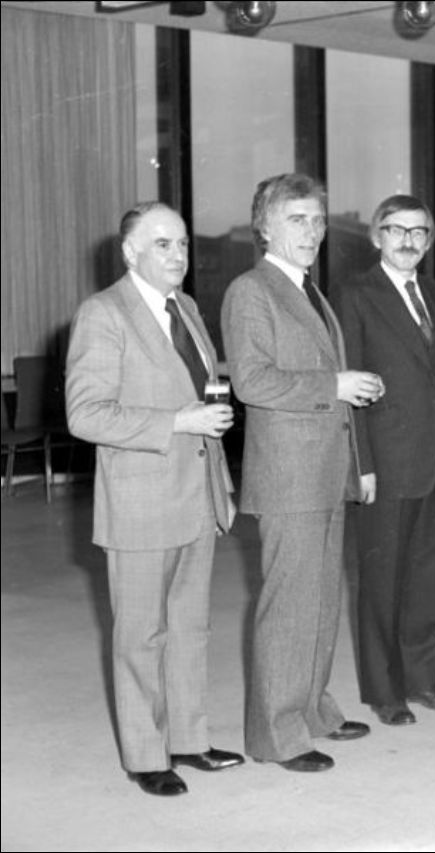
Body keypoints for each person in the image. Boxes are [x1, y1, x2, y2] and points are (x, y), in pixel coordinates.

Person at [65, 202, 243, 796]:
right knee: (141, 635)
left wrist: (221, 482)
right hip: (141, 501)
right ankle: (146, 755)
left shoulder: (185, 308)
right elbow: (86, 414)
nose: (178, 255)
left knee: (191, 627)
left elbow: (205, 392)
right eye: (162, 244)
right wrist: (177, 421)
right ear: (129, 252)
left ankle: (189, 739)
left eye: (183, 243)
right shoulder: (103, 313)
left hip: (197, 495)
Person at [221, 173, 380, 773]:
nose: (312, 232)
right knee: (289, 605)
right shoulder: (251, 290)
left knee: (320, 601)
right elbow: (251, 381)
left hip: (325, 470)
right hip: (289, 475)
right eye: (297, 220)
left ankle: (313, 710)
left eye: (317, 220)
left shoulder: (310, 290)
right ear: (264, 227)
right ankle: (277, 735)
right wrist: (333, 385)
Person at [331, 194, 435, 726]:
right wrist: (361, 463)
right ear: (376, 236)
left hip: (433, 460)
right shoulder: (355, 294)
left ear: (429, 241)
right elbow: (350, 386)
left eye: (419, 232)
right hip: (384, 463)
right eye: (397, 230)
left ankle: (423, 681)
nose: (408, 241)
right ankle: (385, 692)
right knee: (382, 580)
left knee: (426, 576)